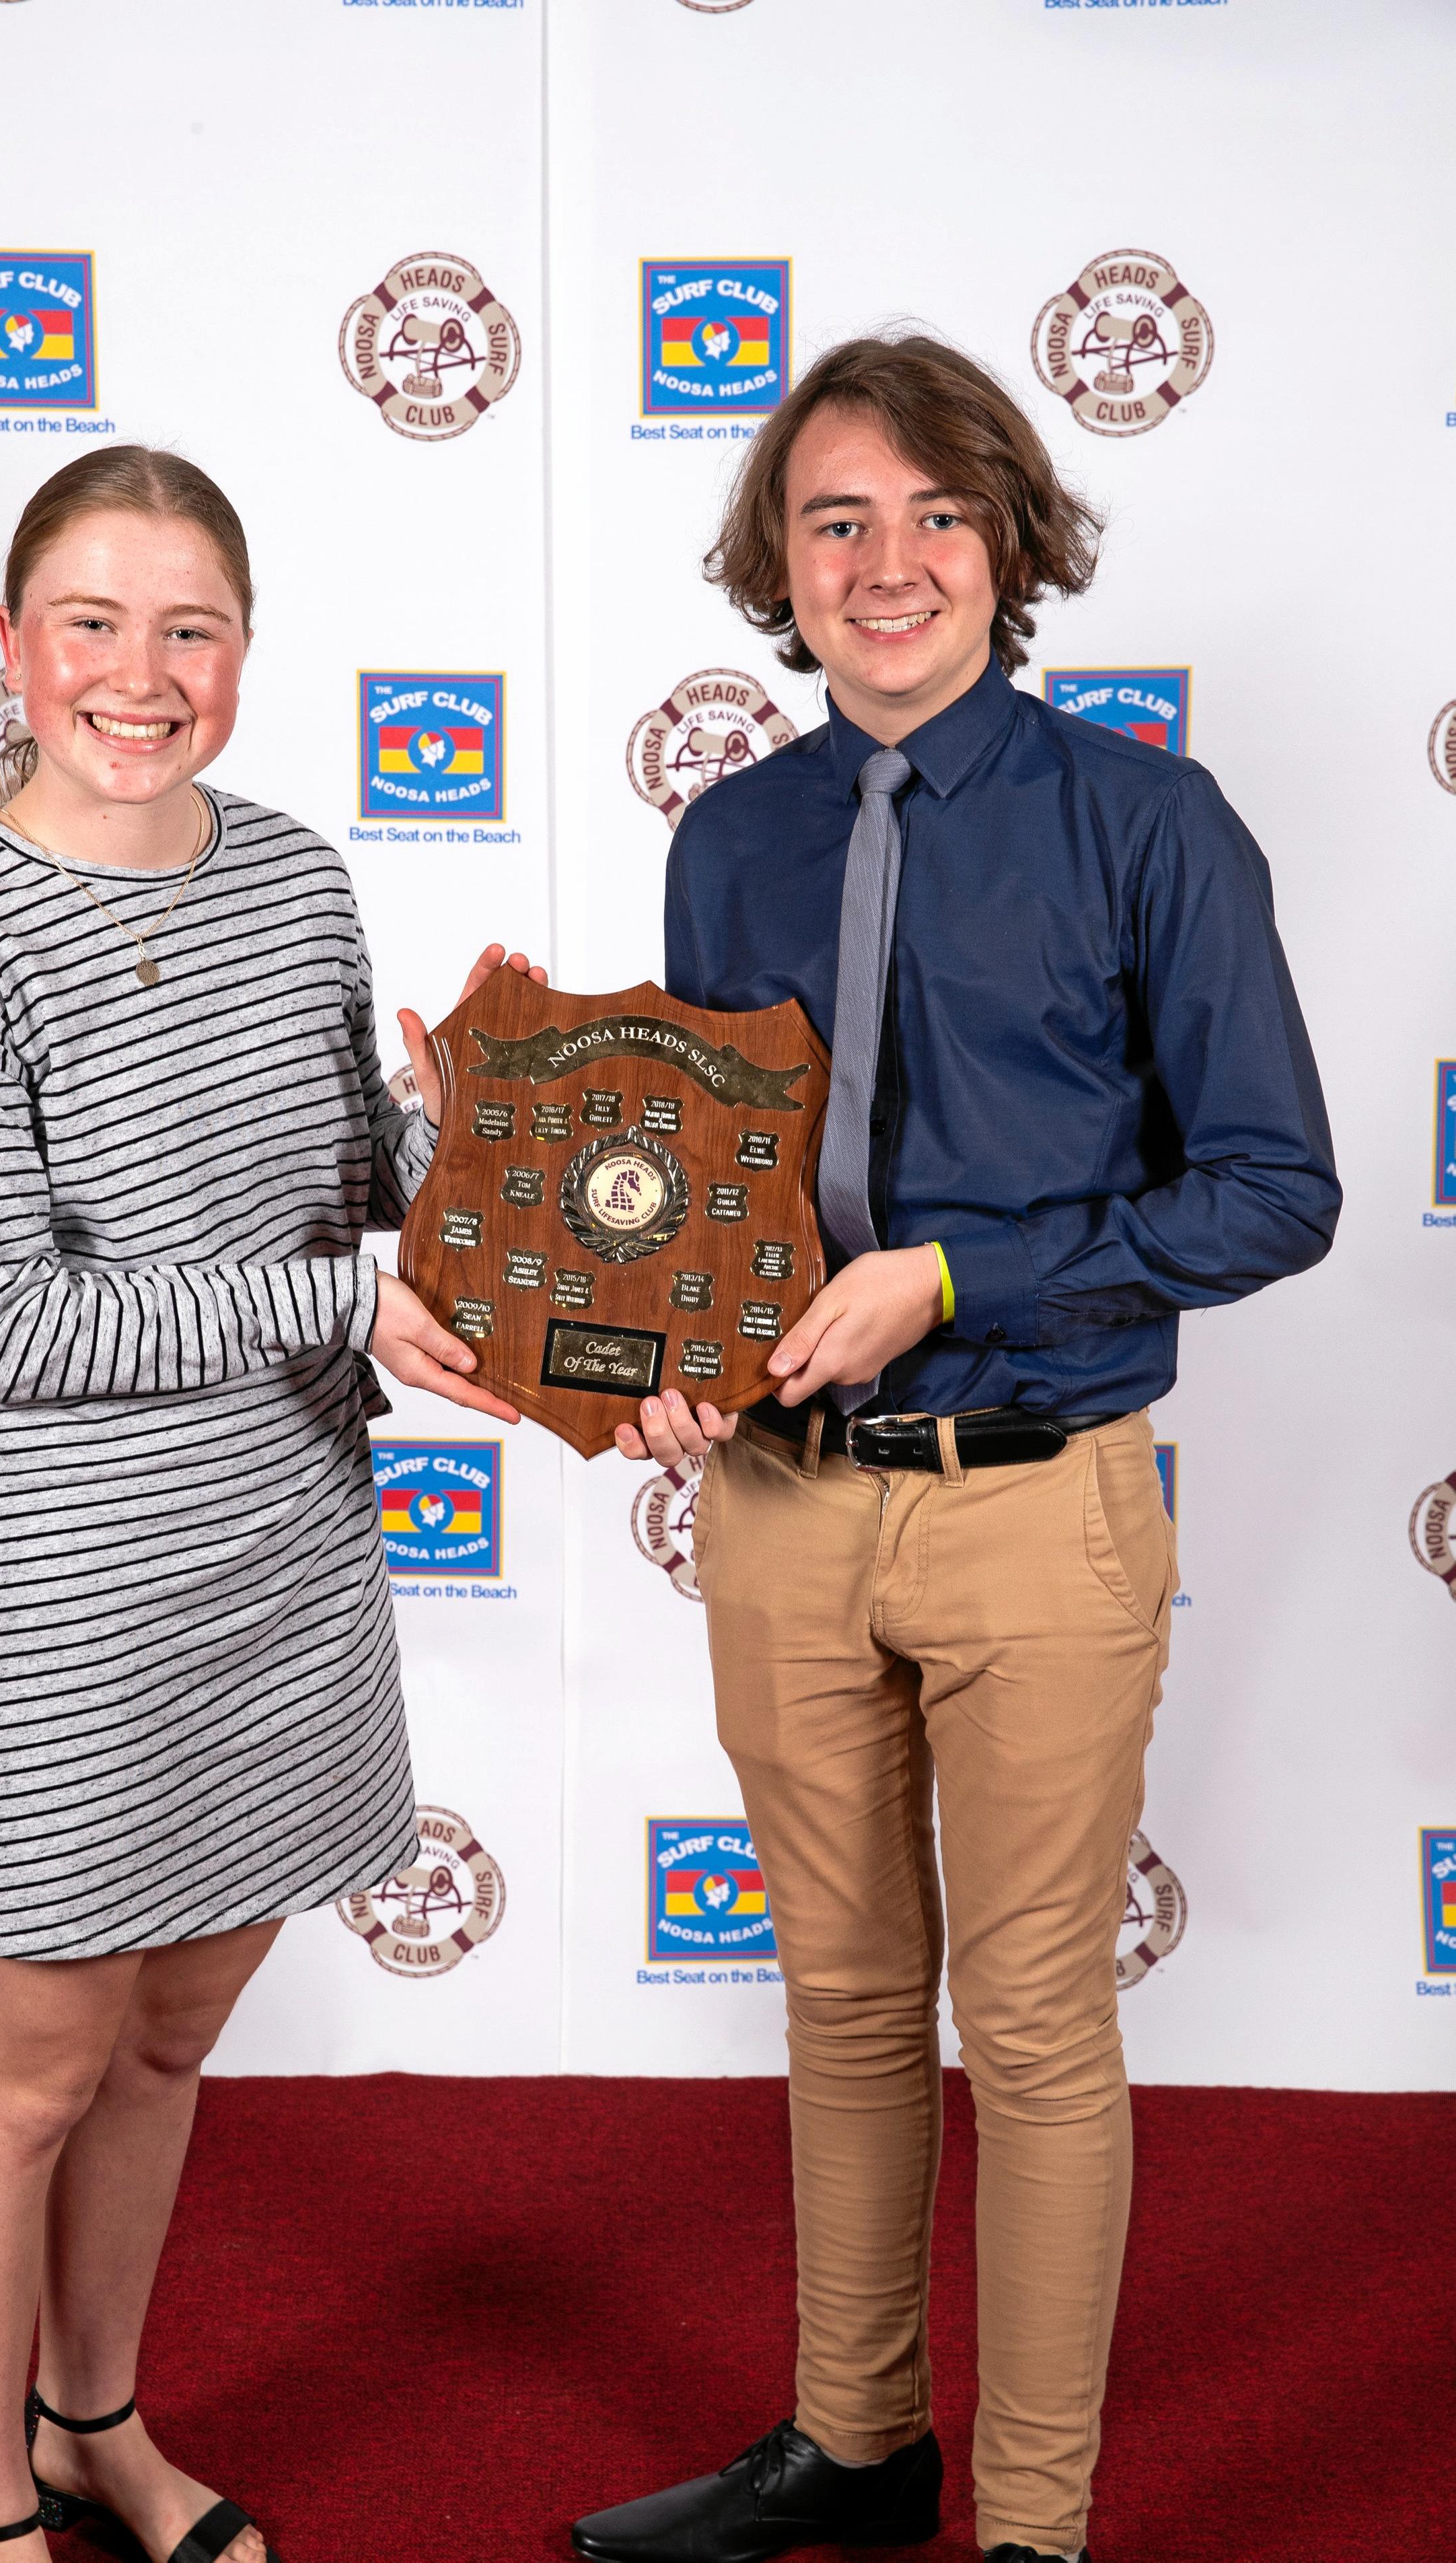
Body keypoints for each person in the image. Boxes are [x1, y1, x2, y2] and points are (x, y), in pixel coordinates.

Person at [573, 337, 1338, 2563]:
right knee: (831, 1999)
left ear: (1007, 547)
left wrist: (944, 1278)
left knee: (1028, 2027)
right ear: (776, 569)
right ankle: (852, 2442)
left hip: (1037, 1507)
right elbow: (704, 1179)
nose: (883, 563)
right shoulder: (732, 837)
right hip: (784, 1511)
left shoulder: (1145, 824)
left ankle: (1027, 2522)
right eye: (833, 522)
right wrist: (665, 1345)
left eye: (932, 516)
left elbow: (1271, 1190)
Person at [0, 446, 535, 2563]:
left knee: (160, 2050)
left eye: (190, 630)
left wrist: (491, 1146)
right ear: (10, 643)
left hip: (290, 1562)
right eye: (91, 621)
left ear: (243, 653)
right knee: (25, 2075)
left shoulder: (296, 877)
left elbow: (364, 1202)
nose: (138, 677)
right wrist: (349, 1282)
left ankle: (93, 2427)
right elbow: (4, 1322)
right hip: (72, 1602)